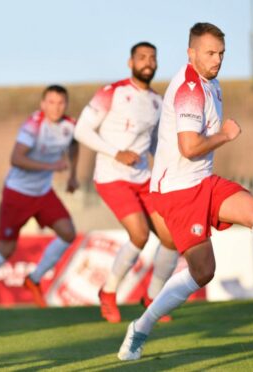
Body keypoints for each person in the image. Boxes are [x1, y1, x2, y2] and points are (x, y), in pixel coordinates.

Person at [118, 22, 253, 361]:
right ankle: (141, 327)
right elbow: (190, 147)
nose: (217, 59)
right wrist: (226, 134)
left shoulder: (211, 83)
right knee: (203, 272)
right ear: (191, 53)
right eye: (209, 53)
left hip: (203, 180)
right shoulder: (190, 87)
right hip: (178, 191)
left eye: (221, 53)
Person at [74, 42, 178, 323]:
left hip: (143, 178)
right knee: (140, 235)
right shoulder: (112, 92)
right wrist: (116, 152)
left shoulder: (158, 101)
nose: (148, 62)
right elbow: (81, 130)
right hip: (111, 176)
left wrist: (169, 167)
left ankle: (153, 298)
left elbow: (155, 142)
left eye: (152, 58)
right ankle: (108, 292)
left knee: (172, 238)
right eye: (142, 57)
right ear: (130, 63)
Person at [0, 85, 79, 310]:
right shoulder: (33, 125)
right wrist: (51, 165)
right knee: (6, 249)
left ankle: (34, 279)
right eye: (51, 102)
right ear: (43, 104)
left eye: (61, 103)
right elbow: (16, 158)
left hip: (43, 193)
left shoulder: (69, 125)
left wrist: (73, 175)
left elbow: (75, 145)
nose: (56, 107)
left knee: (68, 233)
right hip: (18, 193)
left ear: (66, 104)